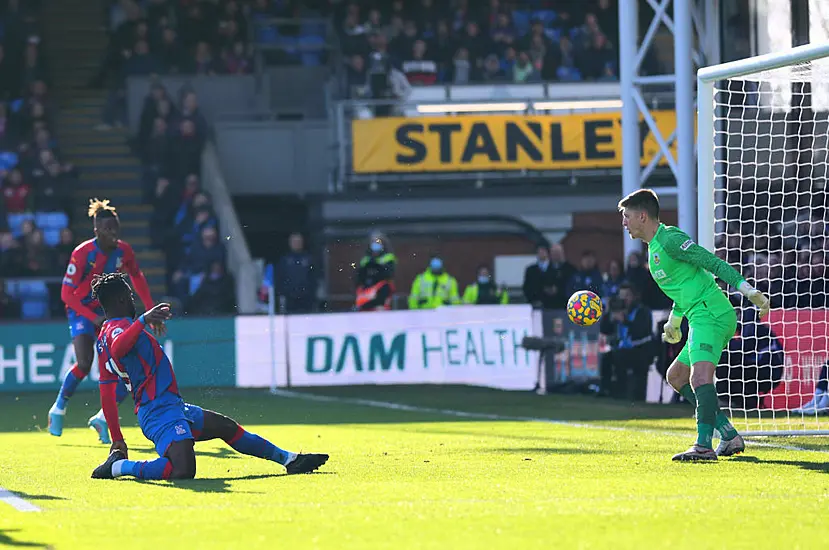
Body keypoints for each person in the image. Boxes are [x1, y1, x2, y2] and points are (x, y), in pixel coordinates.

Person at [89, 273, 328, 480]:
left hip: (170, 407)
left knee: (225, 427)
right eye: (130, 296)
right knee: (182, 469)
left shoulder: (102, 338)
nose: (134, 300)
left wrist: (117, 439)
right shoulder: (119, 328)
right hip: (157, 412)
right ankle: (120, 467)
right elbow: (120, 347)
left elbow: (106, 391)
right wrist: (143, 320)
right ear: (120, 299)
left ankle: (289, 460)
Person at [619, 188, 769, 461]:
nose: (624, 222)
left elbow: (712, 263)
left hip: (710, 313)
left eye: (627, 216)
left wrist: (748, 290)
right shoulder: (654, 249)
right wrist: (674, 322)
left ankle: (703, 445)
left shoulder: (670, 240)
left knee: (699, 378)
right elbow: (684, 289)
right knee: (675, 377)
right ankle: (728, 435)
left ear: (642, 216)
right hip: (699, 313)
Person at [48, 199, 156, 445]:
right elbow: (66, 295)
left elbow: (137, 277)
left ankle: (101, 418)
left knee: (126, 367)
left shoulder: (124, 251)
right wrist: (93, 317)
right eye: (108, 230)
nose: (114, 234)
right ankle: (59, 408)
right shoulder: (82, 253)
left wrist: (149, 308)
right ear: (97, 230)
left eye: (116, 229)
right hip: (81, 311)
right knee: (85, 364)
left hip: (108, 313)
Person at [355, 233, 396, 311]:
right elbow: (360, 275)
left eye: (378, 242)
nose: (376, 245)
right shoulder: (366, 259)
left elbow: (388, 274)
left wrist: (376, 266)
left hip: (380, 290)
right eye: (374, 242)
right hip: (367, 291)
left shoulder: (388, 258)